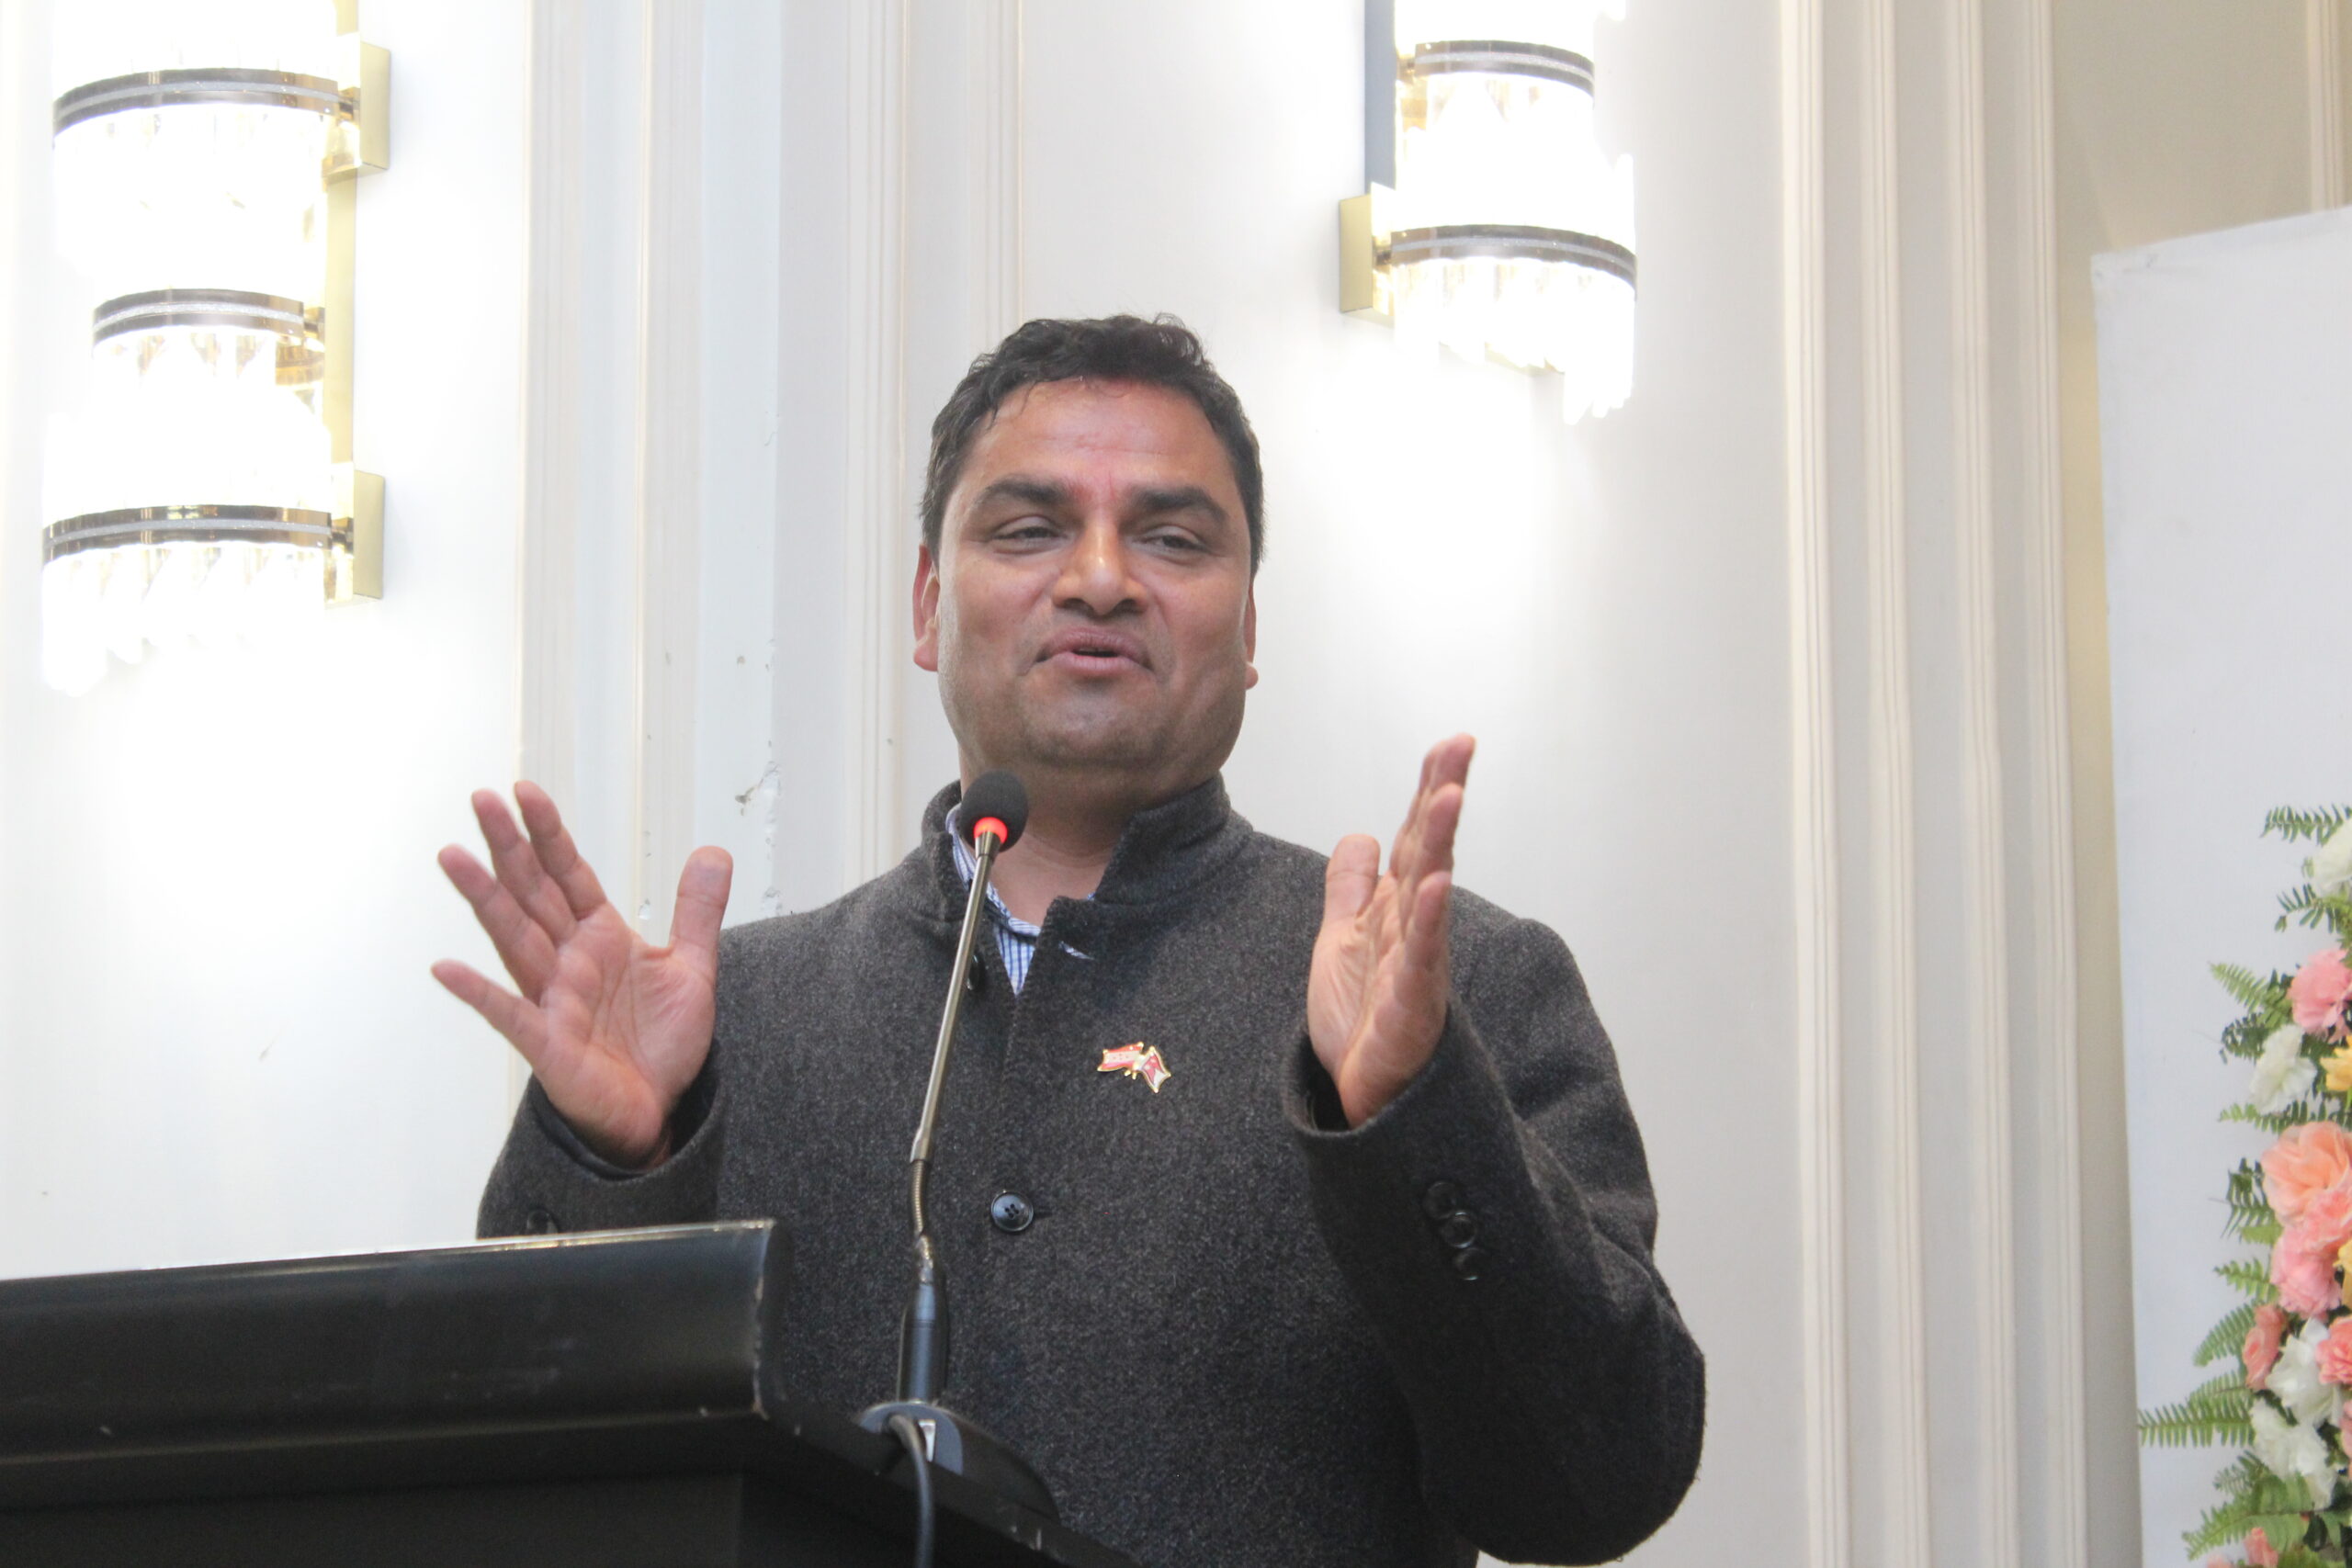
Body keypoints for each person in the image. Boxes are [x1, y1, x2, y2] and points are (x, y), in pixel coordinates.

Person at [436, 315, 1703, 1567]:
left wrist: (1412, 1117)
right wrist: (612, 1165)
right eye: (1029, 529)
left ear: (1248, 631)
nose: (1100, 577)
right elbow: (517, 1494)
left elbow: (1594, 1488)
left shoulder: (1452, 991)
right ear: (929, 606)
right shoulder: (738, 1021)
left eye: (1172, 537)